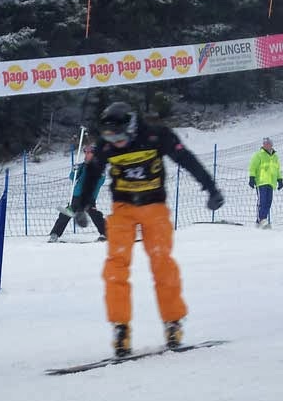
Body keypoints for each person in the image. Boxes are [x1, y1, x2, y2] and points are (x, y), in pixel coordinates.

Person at [78, 101, 224, 357]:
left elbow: (187, 160)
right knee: (116, 266)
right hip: (123, 208)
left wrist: (211, 189)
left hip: (154, 207)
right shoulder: (106, 145)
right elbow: (92, 173)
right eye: (110, 138)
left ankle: (173, 322)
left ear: (132, 127)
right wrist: (82, 205)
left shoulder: (156, 136)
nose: (116, 143)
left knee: (161, 262)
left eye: (119, 137)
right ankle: (120, 328)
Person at [48, 141, 107, 242]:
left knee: (94, 213)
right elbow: (72, 177)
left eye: (89, 153)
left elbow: (100, 181)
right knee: (66, 213)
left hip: (88, 196)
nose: (86, 155)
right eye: (85, 152)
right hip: (76, 196)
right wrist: (74, 170)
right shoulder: (82, 166)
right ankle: (55, 234)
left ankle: (106, 233)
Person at [248, 136, 283, 228]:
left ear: (271, 145)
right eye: (264, 143)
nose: (266, 145)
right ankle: (261, 219)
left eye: (267, 143)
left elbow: (277, 169)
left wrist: (280, 179)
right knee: (262, 201)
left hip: (271, 183)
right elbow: (253, 167)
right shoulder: (258, 155)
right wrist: (252, 177)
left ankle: (261, 221)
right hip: (261, 182)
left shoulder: (275, 157)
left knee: (268, 202)